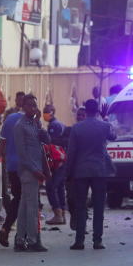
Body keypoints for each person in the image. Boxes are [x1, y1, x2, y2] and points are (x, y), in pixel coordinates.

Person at [64, 99, 117, 250]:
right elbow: (114, 136)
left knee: (81, 206)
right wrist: (105, 118)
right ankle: (97, 240)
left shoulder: (77, 128)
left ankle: (79, 240)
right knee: (99, 206)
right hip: (99, 171)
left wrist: (68, 172)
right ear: (98, 110)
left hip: (80, 171)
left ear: (85, 110)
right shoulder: (104, 126)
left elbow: (72, 152)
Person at [12, 94, 49, 252]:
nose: (33, 108)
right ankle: (33, 241)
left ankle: (20, 240)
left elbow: (46, 139)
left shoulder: (34, 124)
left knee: (25, 206)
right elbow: (22, 153)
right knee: (32, 207)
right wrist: (35, 171)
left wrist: (39, 123)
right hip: (29, 171)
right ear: (23, 106)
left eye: (35, 105)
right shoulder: (20, 126)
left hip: (36, 169)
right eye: (30, 106)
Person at [0, 102, 26, 247]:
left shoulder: (10, 119)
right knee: (26, 201)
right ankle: (21, 234)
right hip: (27, 166)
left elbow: (2, 142)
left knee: (18, 198)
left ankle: (7, 228)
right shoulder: (31, 120)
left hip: (12, 166)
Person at [43, 104, 68, 225]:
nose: (45, 114)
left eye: (46, 111)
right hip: (61, 159)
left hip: (57, 160)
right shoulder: (58, 124)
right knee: (59, 187)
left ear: (52, 112)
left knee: (51, 186)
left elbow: (51, 143)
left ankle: (58, 213)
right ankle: (62, 213)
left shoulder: (54, 126)